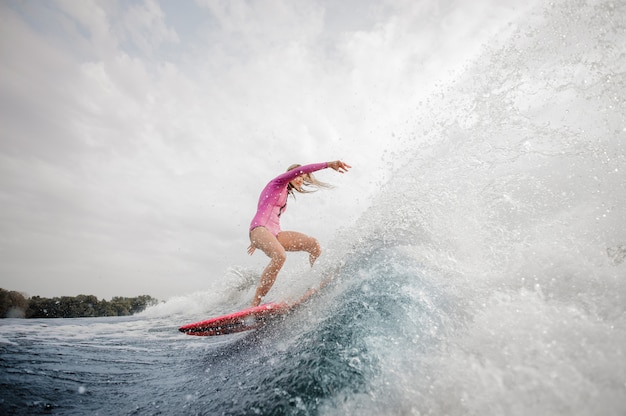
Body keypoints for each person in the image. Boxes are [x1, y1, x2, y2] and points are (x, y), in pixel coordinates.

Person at [247, 160, 351, 306]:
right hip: (259, 228)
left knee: (313, 244)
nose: (300, 180)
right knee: (280, 255)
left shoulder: (285, 194)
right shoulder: (277, 183)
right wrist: (328, 164)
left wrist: (261, 240)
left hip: (274, 233)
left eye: (303, 179)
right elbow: (262, 211)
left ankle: (318, 280)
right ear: (291, 174)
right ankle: (254, 303)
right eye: (299, 176)